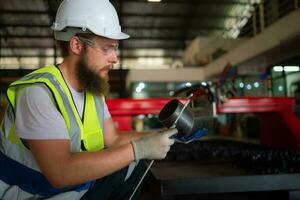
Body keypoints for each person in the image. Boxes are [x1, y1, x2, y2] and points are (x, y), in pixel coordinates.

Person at [0, 0, 177, 199]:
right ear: (76, 44)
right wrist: (141, 148)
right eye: (106, 48)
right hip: (34, 195)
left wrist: (164, 136)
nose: (114, 58)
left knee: (132, 165)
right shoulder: (39, 93)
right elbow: (60, 172)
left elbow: (114, 139)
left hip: (76, 192)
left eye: (115, 48)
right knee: (133, 157)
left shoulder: (92, 91)